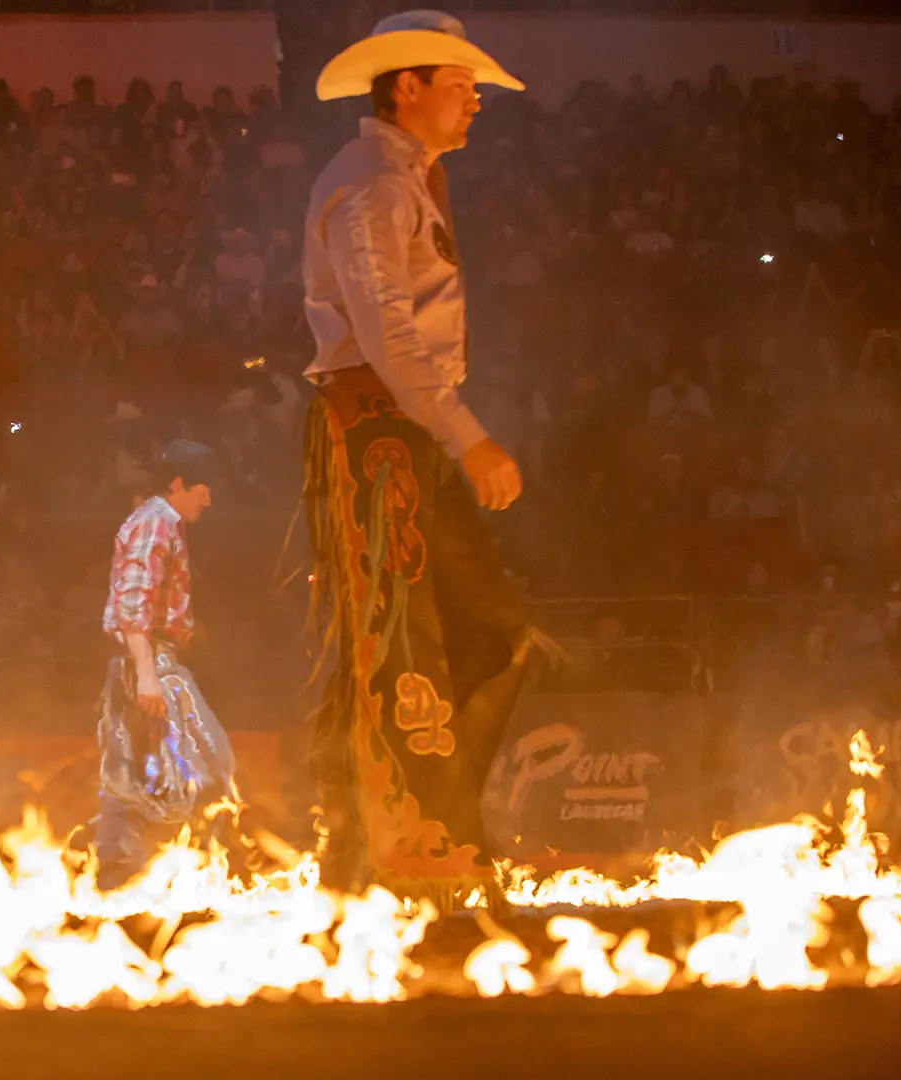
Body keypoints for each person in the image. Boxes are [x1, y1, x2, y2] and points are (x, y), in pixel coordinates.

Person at [301, 11, 537, 906]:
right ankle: (409, 848)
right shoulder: (371, 183)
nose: (475, 99)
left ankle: (414, 838)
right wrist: (465, 433)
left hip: (401, 430)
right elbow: (385, 330)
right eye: (460, 83)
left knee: (482, 635)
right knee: (398, 643)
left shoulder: (401, 179)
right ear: (408, 86)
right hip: (377, 431)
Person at [94, 439, 236, 892]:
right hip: (148, 659)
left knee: (137, 765)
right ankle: (187, 869)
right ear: (178, 483)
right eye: (201, 488)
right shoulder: (156, 524)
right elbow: (133, 601)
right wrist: (148, 673)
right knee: (202, 760)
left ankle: (124, 873)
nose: (208, 498)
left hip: (149, 658)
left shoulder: (160, 524)